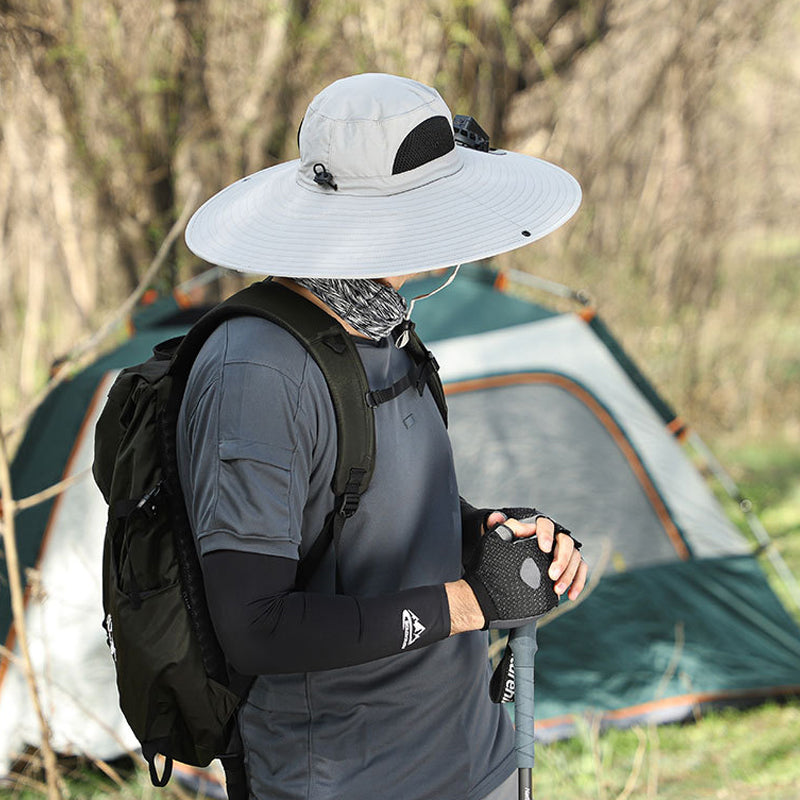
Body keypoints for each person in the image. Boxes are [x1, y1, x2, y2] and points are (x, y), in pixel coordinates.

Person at [179, 73, 588, 800]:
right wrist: (469, 604)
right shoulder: (256, 372)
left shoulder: (379, 323)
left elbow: (363, 518)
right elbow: (256, 626)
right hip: (346, 780)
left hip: (476, 755)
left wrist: (492, 538)